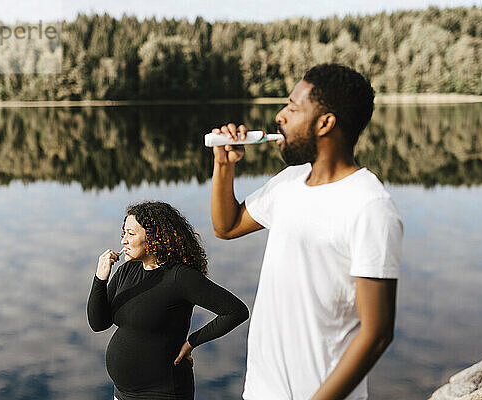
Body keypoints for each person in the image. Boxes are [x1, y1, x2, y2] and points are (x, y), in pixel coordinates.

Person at [210, 63, 403, 400]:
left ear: (326, 123)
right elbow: (226, 226)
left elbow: (377, 334)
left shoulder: (370, 207)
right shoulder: (289, 182)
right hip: (261, 392)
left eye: (293, 108)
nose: (280, 117)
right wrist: (224, 166)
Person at [87, 201, 249, 400]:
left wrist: (192, 342)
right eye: (124, 233)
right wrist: (100, 278)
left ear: (154, 237)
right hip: (122, 395)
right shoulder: (126, 270)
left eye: (131, 234)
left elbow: (235, 311)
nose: (124, 241)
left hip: (164, 392)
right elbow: (98, 323)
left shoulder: (179, 277)